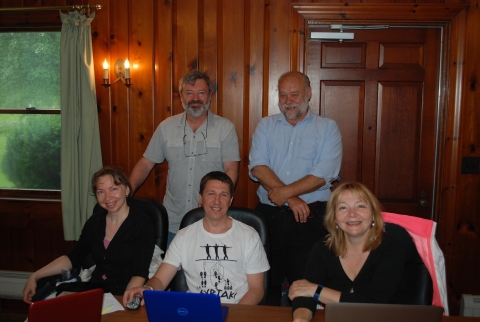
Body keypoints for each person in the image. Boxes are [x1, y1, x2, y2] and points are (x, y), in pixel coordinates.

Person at [248, 71, 342, 305]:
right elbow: (258, 167)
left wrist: (285, 194)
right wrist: (292, 199)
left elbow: (325, 173)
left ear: (308, 94)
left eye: (294, 94)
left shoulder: (328, 128)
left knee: (307, 283)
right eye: (283, 95)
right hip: (268, 217)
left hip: (310, 219)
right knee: (264, 282)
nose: (288, 101)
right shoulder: (266, 126)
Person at [123, 171, 270, 306]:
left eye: (223, 195)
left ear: (231, 200)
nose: (217, 201)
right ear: (200, 198)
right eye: (211, 193)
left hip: (238, 312)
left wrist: (233, 316)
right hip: (196, 311)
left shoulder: (249, 236)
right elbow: (160, 279)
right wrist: (147, 289)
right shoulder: (184, 236)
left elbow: (256, 290)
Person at [129, 71, 240, 245]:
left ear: (210, 95)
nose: (195, 98)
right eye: (189, 93)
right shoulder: (166, 127)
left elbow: (231, 170)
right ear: (181, 97)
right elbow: (146, 162)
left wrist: (221, 200)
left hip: (211, 219)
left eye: (201, 92)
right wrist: (129, 190)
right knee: (170, 270)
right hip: (173, 221)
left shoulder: (225, 128)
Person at [22, 167, 155, 303]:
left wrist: (128, 301)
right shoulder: (95, 222)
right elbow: (73, 257)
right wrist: (35, 276)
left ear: (127, 189)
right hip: (96, 290)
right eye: (101, 192)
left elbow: (139, 273)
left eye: (113, 189)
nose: (108, 197)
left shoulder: (142, 224)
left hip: (123, 294)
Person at [289, 182, 407, 322]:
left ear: (374, 214)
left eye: (360, 206)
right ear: (334, 218)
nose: (352, 214)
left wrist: (317, 291)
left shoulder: (393, 248)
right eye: (343, 207)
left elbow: (374, 304)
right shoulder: (323, 248)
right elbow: (304, 295)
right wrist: (300, 319)